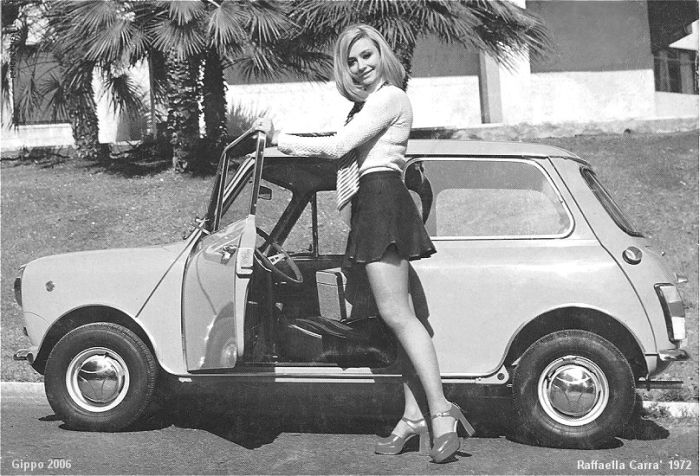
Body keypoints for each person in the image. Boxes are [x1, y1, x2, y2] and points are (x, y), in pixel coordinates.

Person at [254, 24, 474, 464]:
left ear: (382, 55)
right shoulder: (366, 106)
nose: (359, 66)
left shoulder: (390, 97)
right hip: (375, 205)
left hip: (382, 201)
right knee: (401, 320)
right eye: (351, 61)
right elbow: (343, 144)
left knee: (398, 317)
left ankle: (441, 411)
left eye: (366, 55)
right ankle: (412, 417)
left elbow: (338, 148)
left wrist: (278, 139)